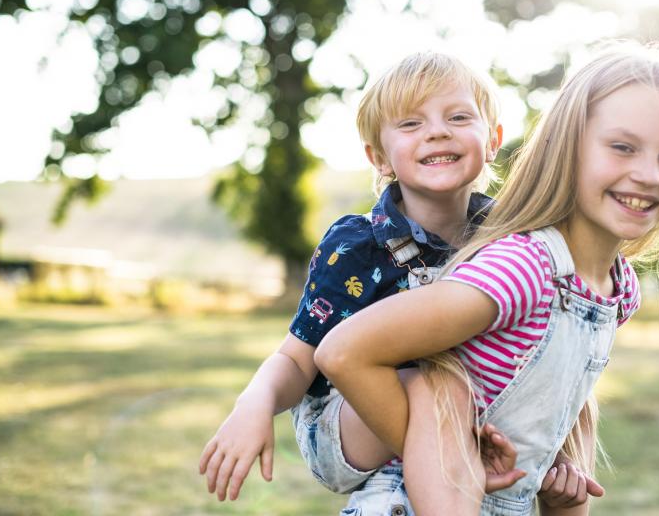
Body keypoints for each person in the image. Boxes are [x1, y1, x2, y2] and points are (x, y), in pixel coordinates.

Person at [316, 40, 659, 515]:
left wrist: (563, 474)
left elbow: (566, 411)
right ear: (568, 149)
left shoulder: (617, 289)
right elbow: (343, 351)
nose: (649, 174)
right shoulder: (522, 267)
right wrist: (454, 459)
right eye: (623, 147)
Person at [198, 51, 601, 510]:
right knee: (437, 382)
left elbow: (541, 353)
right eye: (410, 124)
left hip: (461, 418)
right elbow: (297, 359)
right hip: (344, 423)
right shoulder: (356, 245)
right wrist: (255, 403)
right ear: (379, 157)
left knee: (518, 366)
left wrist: (560, 451)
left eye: (458, 116)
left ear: (492, 141)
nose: (437, 131)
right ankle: (455, 471)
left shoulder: (510, 241)